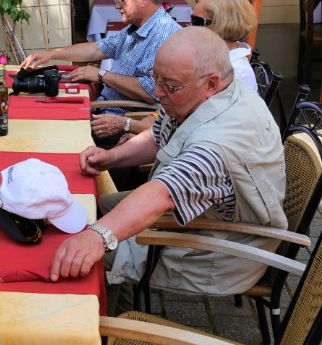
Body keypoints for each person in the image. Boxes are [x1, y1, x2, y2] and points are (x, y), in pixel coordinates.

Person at [50, 27, 286, 316]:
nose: (158, 92)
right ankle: (120, 306)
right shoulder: (204, 93)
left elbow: (163, 194)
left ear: (211, 83)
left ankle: (110, 324)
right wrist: (111, 157)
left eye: (169, 86)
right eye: (156, 79)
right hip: (199, 217)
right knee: (90, 208)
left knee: (87, 249)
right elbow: (159, 137)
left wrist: (97, 237)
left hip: (220, 251)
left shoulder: (218, 143)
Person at [21, 0, 181, 147]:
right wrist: (51, 54)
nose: (117, 6)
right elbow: (97, 49)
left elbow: (149, 92)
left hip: (118, 123)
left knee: (49, 129)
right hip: (104, 110)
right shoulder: (137, 27)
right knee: (46, 114)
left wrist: (101, 75)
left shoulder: (162, 35)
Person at [192, 0, 258, 92]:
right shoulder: (215, 55)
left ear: (223, 25)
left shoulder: (235, 73)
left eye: (197, 21)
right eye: (192, 19)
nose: (191, 26)